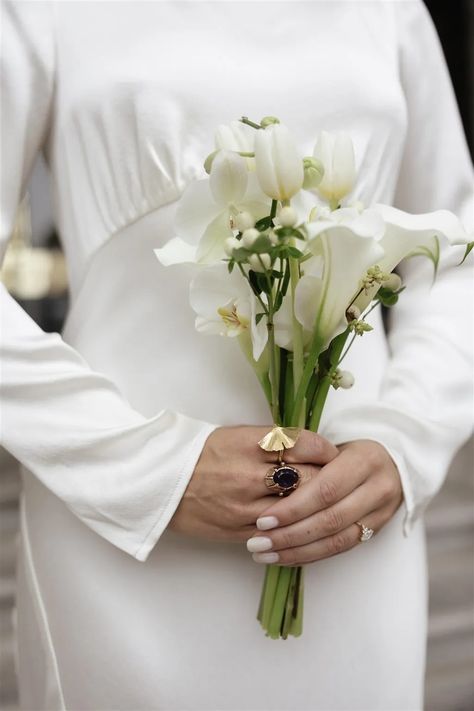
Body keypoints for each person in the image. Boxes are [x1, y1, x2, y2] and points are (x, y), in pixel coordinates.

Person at [1, 1, 472, 709]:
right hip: (127, 536)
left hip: (352, 530)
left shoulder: (391, 11)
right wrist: (156, 467)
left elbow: (456, 253)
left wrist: (407, 439)